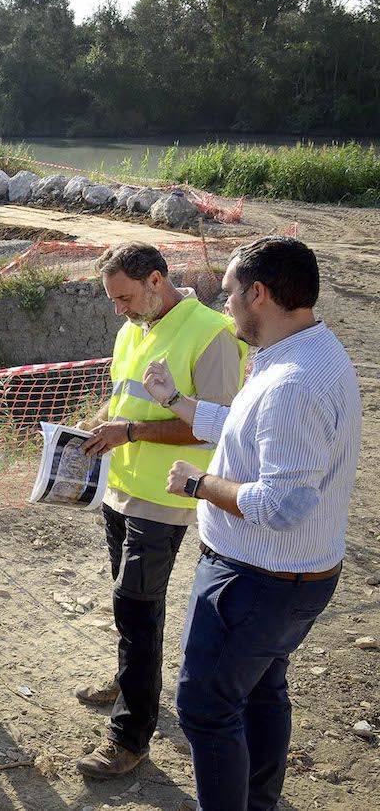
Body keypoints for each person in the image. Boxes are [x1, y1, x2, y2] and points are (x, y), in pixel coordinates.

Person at [141, 237, 359, 811]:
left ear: (258, 294)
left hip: (256, 581)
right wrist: (179, 402)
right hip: (293, 579)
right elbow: (248, 427)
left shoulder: (291, 384)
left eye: (230, 293)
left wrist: (196, 484)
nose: (225, 304)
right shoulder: (312, 352)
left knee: (207, 708)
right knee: (262, 691)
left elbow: (283, 505)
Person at [73, 243, 247, 780]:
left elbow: (213, 424)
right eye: (113, 300)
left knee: (137, 608)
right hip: (120, 488)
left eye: (124, 297)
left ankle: (130, 737)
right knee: (130, 605)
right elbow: (120, 398)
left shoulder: (211, 332)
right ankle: (131, 681)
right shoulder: (132, 329)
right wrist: (92, 425)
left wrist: (129, 431)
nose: (118, 309)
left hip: (167, 498)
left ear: (155, 280)